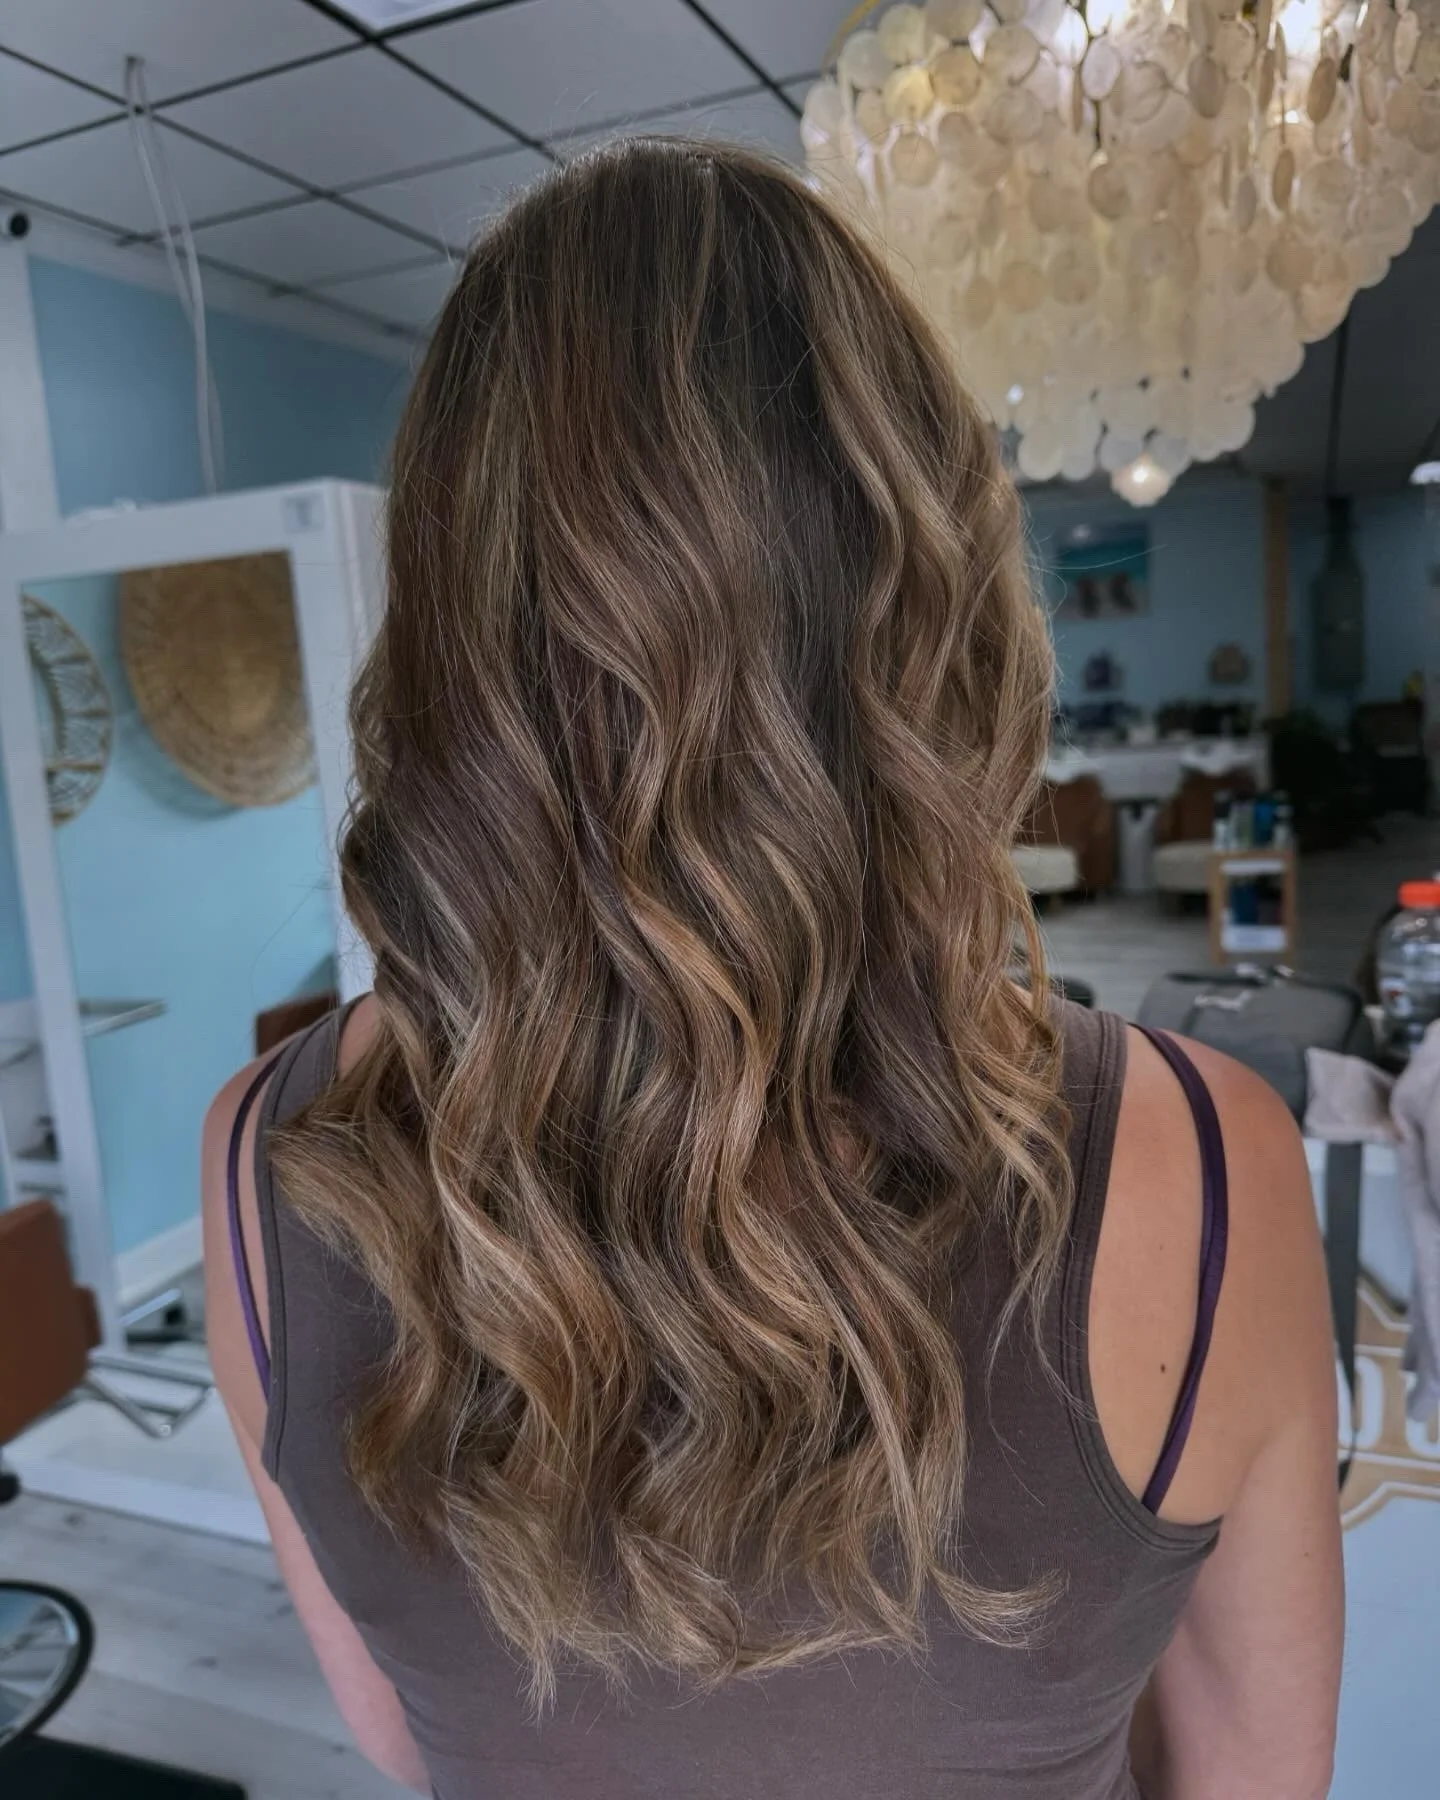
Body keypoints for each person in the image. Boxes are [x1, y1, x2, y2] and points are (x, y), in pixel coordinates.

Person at [203, 140, 1341, 1800]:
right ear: (934, 592)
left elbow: (403, 1732)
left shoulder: (258, 1161)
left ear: (448, 606)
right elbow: (1250, 1773)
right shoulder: (1206, 1158)